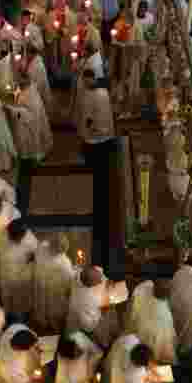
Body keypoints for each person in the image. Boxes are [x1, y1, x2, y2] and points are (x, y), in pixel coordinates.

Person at [75, 68, 115, 268]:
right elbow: (86, 111)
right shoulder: (92, 92)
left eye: (89, 80)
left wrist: (91, 124)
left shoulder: (102, 94)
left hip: (100, 133)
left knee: (98, 157)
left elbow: (100, 115)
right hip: (94, 132)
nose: (87, 83)